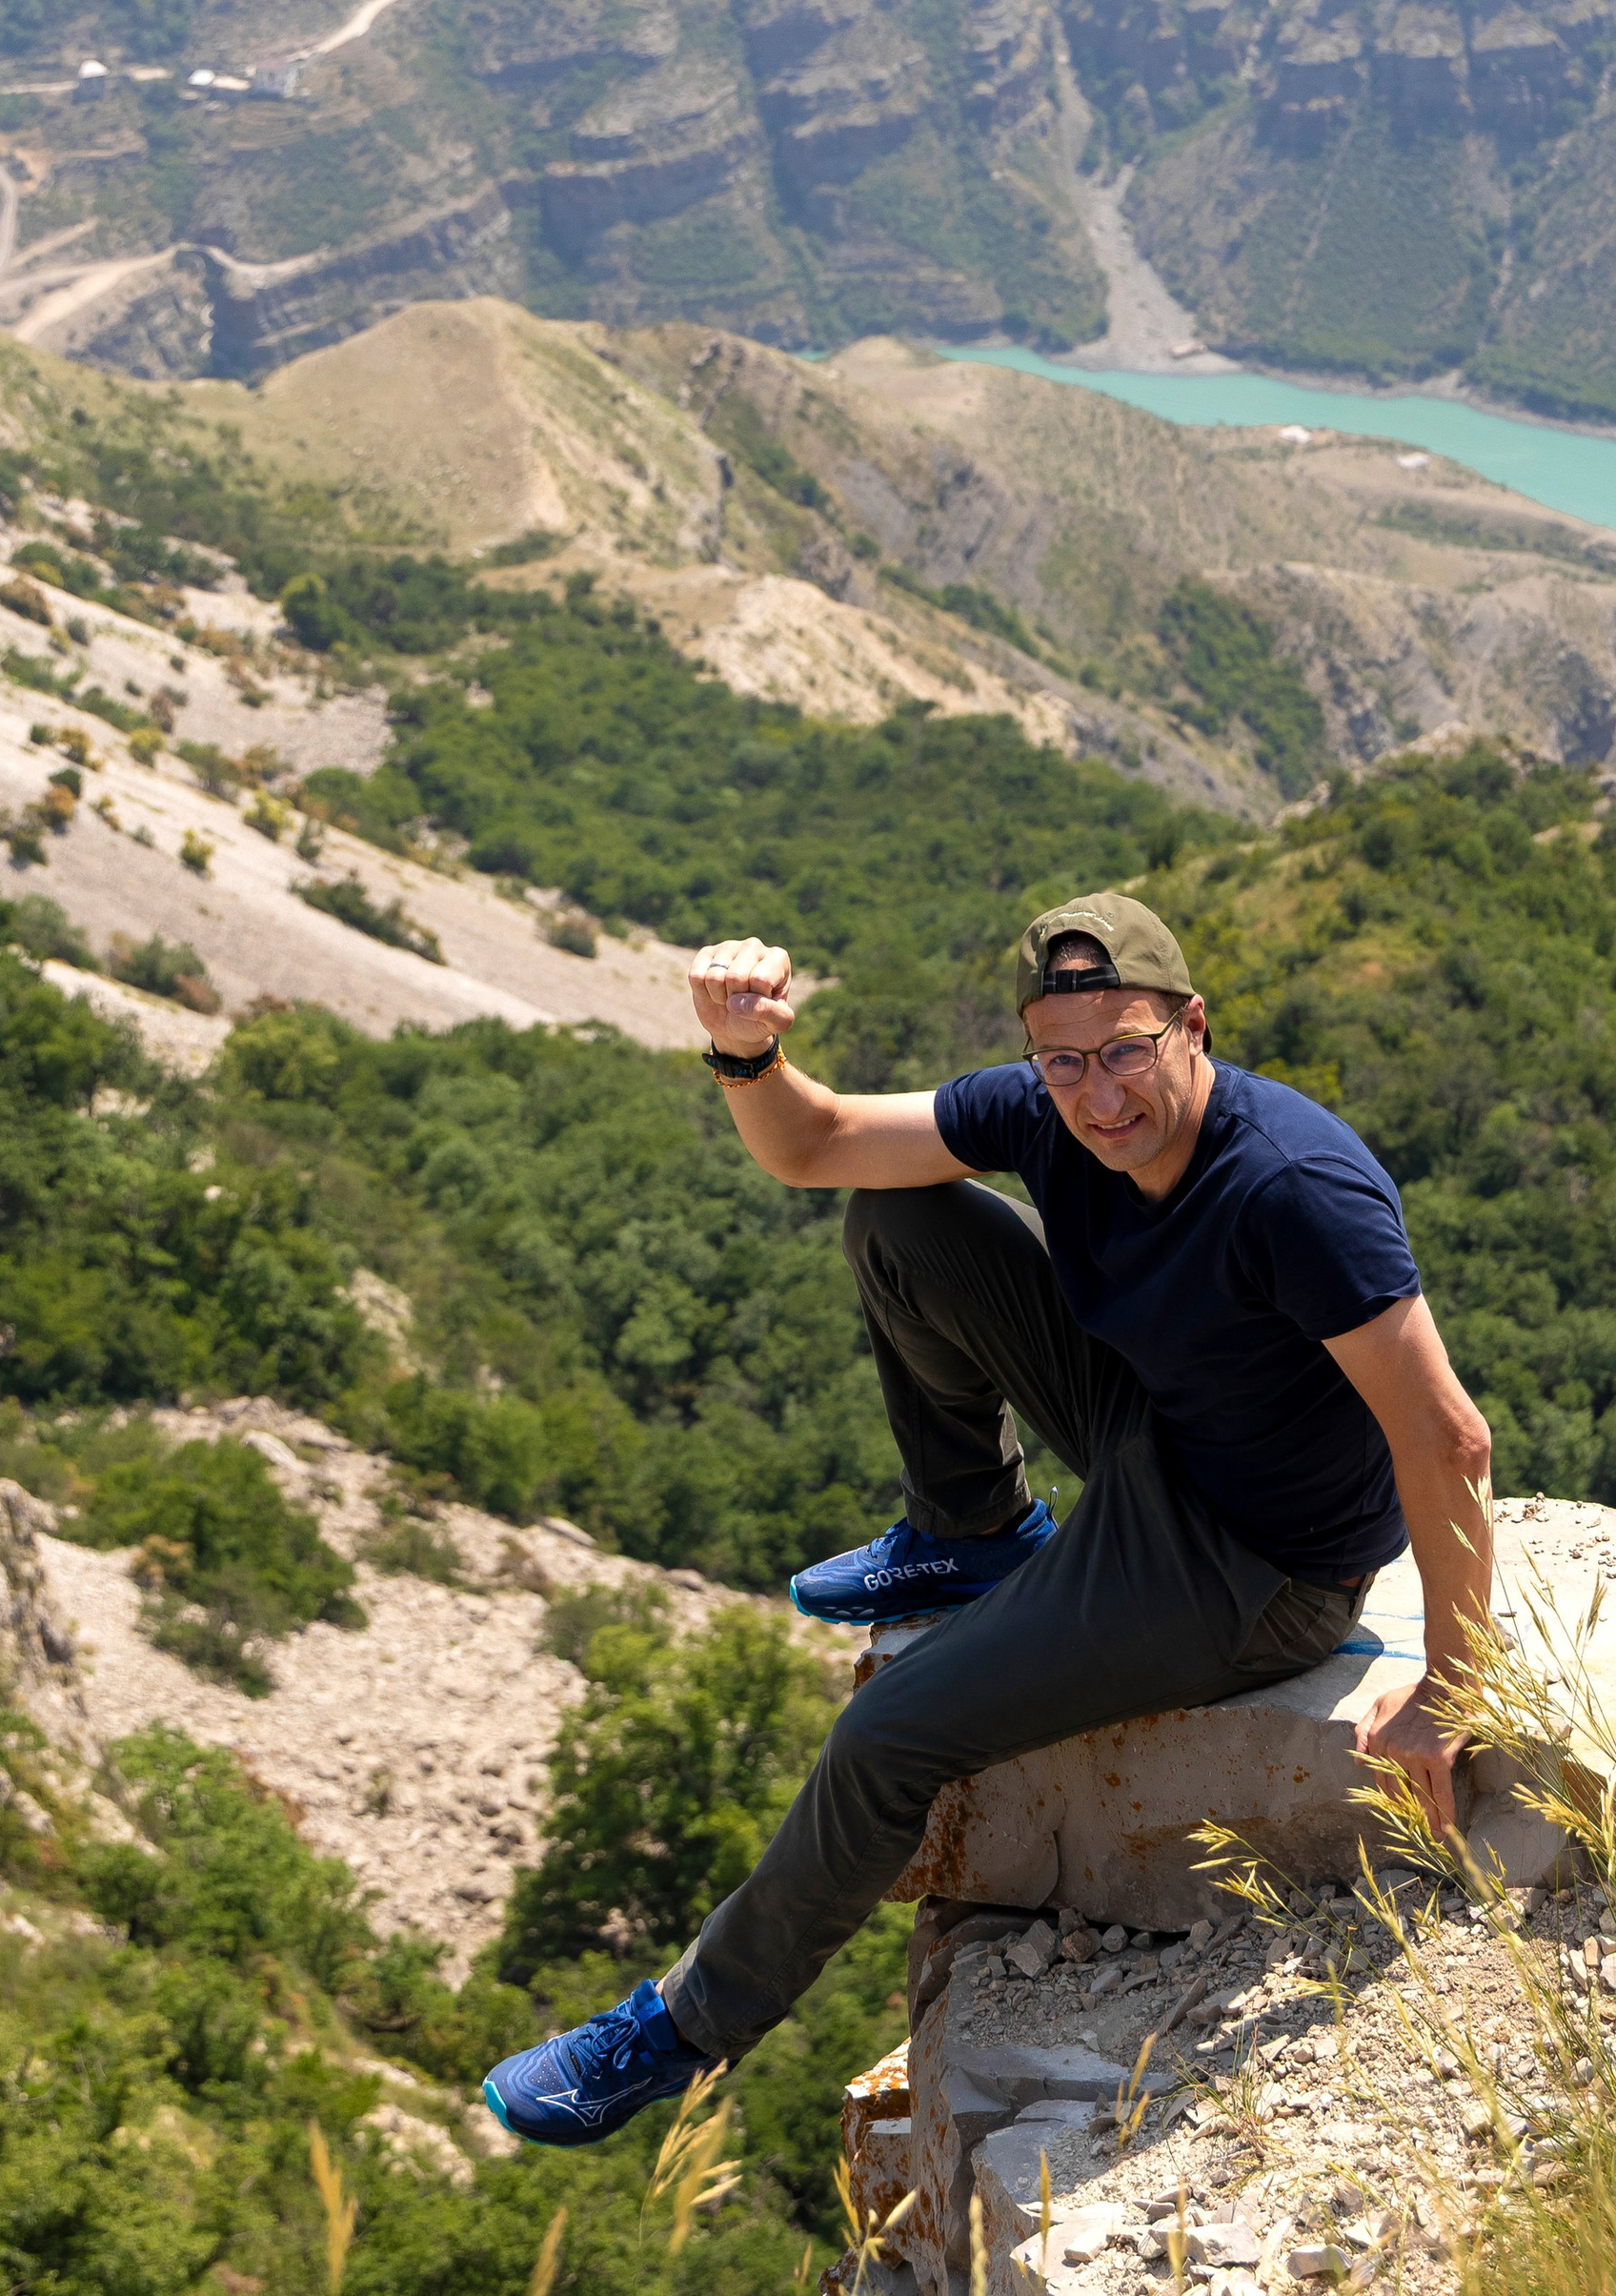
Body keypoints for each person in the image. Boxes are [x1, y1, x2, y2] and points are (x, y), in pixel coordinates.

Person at [483, 889, 1493, 2147]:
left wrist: (1454, 1685)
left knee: (889, 1735)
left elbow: (1447, 1439)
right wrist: (747, 1049)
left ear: (1194, 1026)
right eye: (1063, 1062)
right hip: (1154, 1430)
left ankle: (685, 2028)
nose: (1098, 1095)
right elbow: (820, 1143)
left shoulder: (1294, 1186)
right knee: (904, 1218)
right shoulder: (1049, 1110)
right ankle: (971, 1532)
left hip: (1251, 1564)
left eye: (1126, 1051)